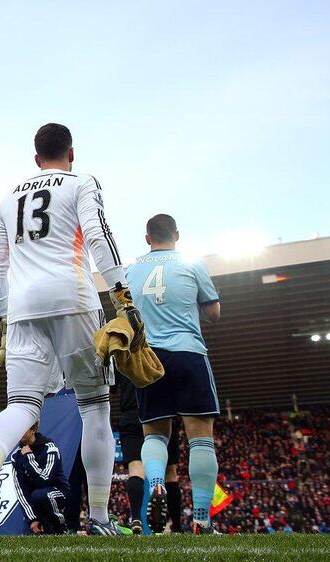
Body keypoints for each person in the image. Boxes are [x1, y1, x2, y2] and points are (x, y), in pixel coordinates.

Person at [0, 123, 144, 537]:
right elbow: (99, 235)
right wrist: (122, 295)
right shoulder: (81, 181)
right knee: (95, 406)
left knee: (23, 406)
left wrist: (7, 319)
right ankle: (100, 520)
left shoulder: (8, 198)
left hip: (24, 308)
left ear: (35, 159)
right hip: (74, 298)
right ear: (71, 153)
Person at [125, 214, 221, 535]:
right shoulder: (193, 263)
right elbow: (214, 312)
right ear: (177, 235)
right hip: (188, 352)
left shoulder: (131, 270)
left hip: (150, 357)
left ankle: (156, 486)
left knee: (154, 435)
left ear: (147, 237)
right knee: (200, 437)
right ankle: (203, 519)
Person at [116, 374, 183, 533]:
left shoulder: (122, 350)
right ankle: (177, 526)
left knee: (136, 469)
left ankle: (137, 518)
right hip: (161, 411)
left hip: (131, 413)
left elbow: (111, 386)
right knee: (169, 472)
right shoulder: (161, 349)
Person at [12, 422, 70, 535]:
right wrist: (32, 519)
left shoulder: (50, 448)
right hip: (35, 499)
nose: (18, 433)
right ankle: (45, 525)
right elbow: (21, 491)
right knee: (29, 535)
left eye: (22, 429)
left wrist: (29, 457)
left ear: (33, 429)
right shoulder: (16, 456)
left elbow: (44, 480)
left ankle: (61, 528)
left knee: (40, 495)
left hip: (58, 492)